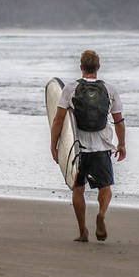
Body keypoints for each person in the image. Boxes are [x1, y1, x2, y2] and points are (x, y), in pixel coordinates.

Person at [50, 50, 126, 242]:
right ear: (98, 67)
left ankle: (83, 231)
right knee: (105, 187)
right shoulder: (109, 89)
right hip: (102, 147)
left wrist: (54, 145)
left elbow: (59, 120)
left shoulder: (70, 88)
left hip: (78, 148)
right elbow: (119, 121)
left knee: (78, 188)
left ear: (81, 67)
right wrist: (122, 144)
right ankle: (101, 214)